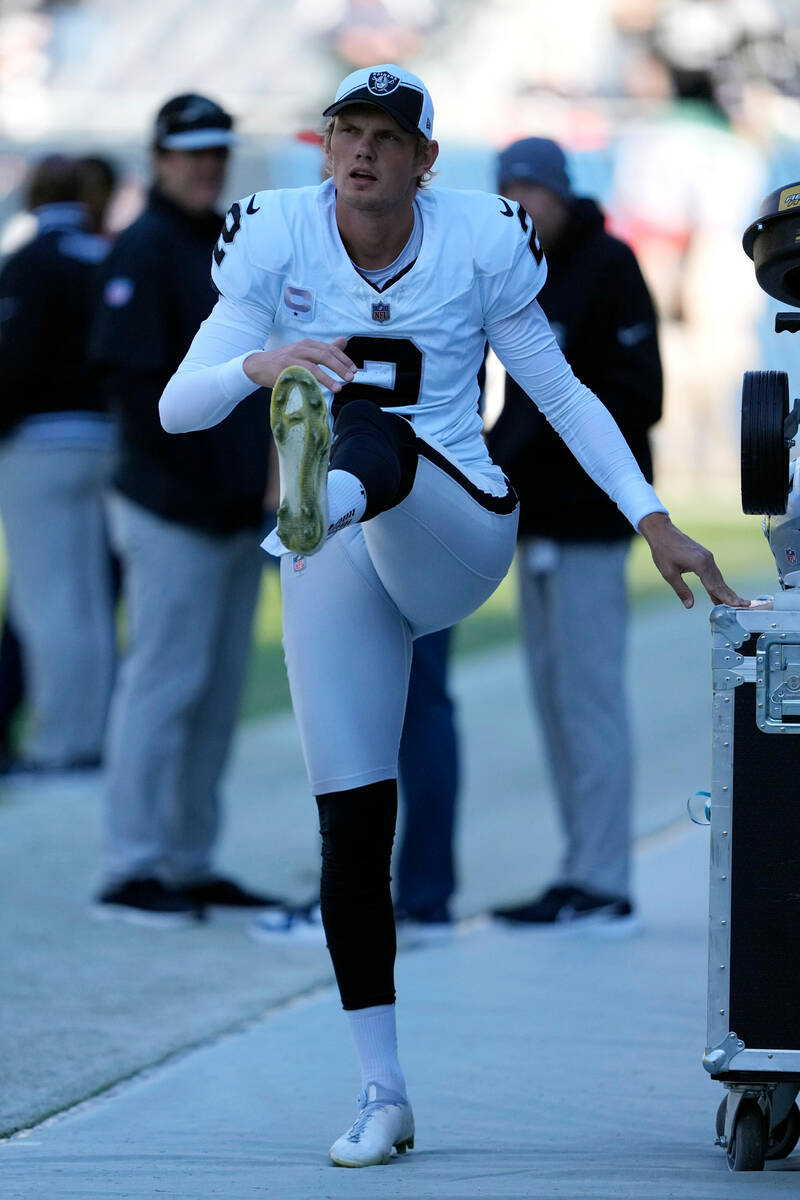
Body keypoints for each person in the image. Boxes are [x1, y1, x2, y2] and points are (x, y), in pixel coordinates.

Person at [158, 64, 745, 1166]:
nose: (363, 152)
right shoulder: (275, 236)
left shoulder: (477, 237)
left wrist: (652, 516)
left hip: (453, 525)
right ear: (322, 145)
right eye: (346, 133)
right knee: (352, 831)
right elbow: (178, 405)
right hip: (336, 558)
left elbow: (560, 392)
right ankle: (382, 1092)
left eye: (386, 135)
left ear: (427, 159)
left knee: (364, 430)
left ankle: (313, 488)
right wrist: (259, 359)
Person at [89, 94, 282, 925]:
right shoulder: (145, 245)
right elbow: (132, 390)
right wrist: (210, 485)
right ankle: (131, 865)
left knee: (214, 692)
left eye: (217, 150)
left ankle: (189, 857)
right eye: (191, 151)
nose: (207, 164)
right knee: (163, 686)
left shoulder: (225, 244)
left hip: (234, 510)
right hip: (172, 509)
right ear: (160, 157)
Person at [487, 137, 662, 932]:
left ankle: (606, 881)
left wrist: (540, 450)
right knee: (553, 702)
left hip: (592, 521)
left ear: (561, 195)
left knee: (588, 699)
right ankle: (579, 870)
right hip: (535, 520)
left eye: (535, 194)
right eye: (510, 193)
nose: (523, 209)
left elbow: (638, 396)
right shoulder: (513, 269)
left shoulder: (610, 264)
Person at [0, 153, 116, 772]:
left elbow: (14, 364)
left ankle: (57, 743)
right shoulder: (105, 258)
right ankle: (91, 736)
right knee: (89, 598)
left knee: (46, 601)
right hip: (103, 441)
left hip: (40, 445)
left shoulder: (28, 263)